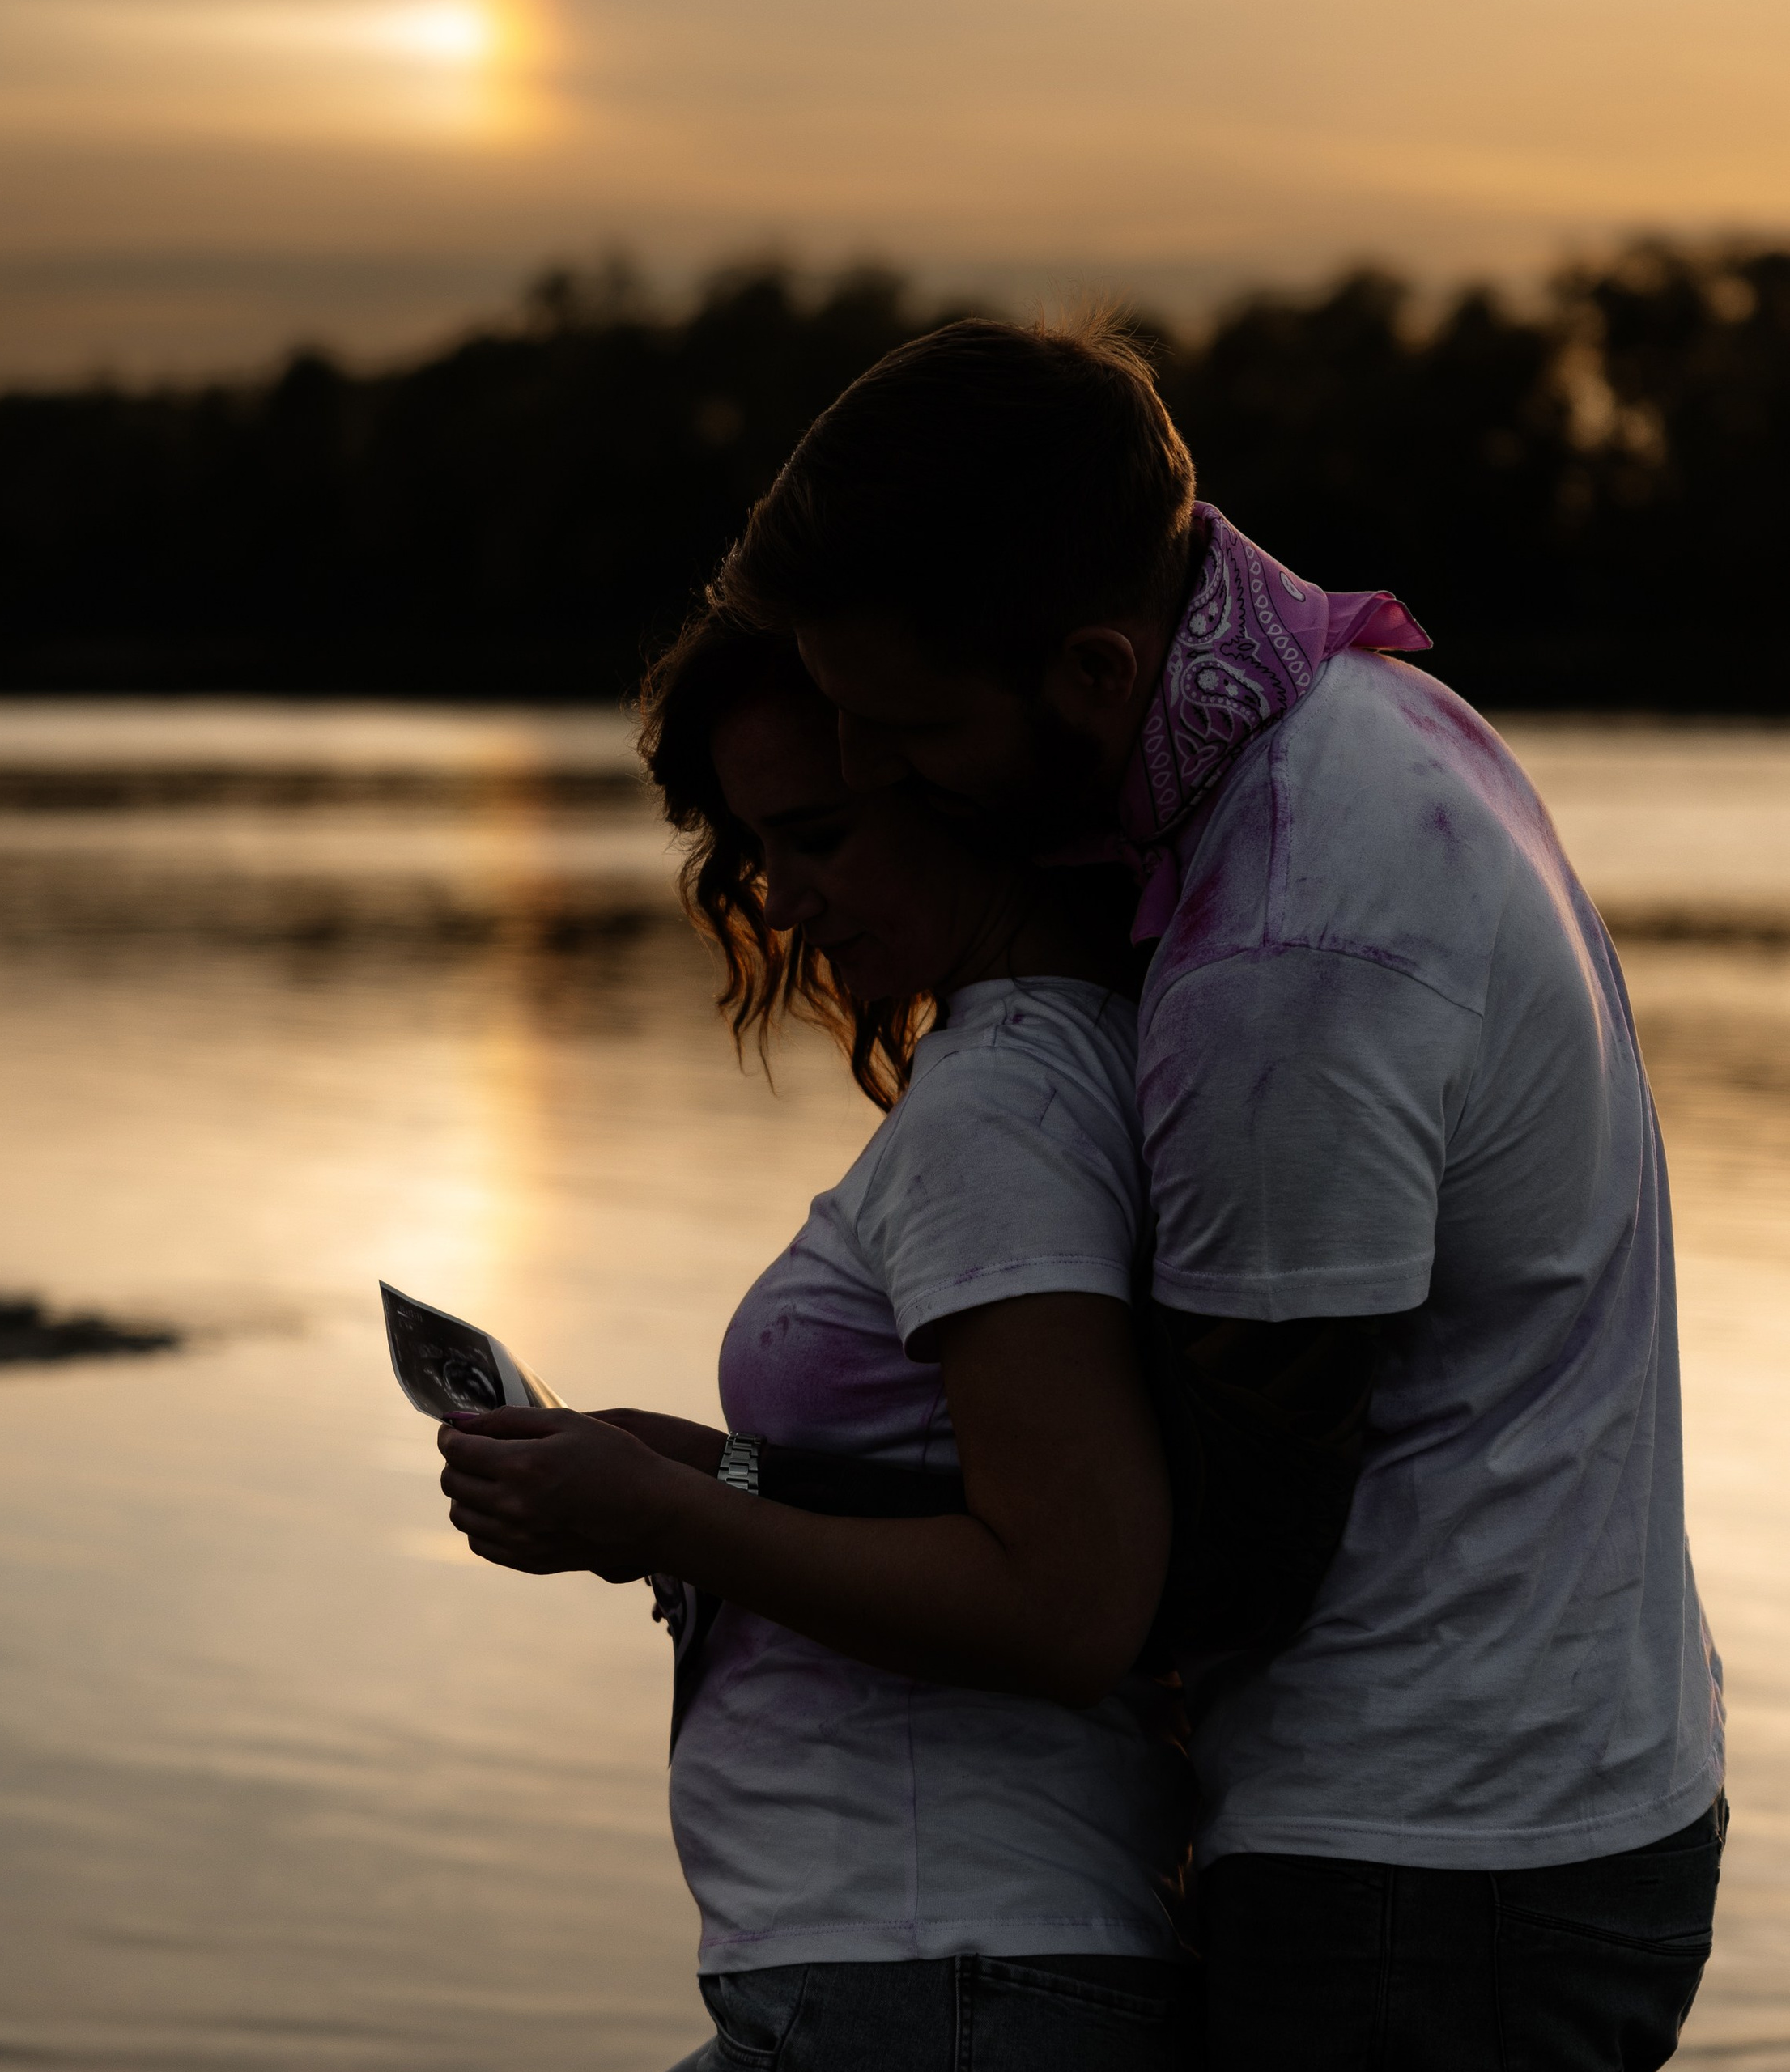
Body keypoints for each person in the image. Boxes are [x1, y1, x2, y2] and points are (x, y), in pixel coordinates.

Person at [704, 312, 1726, 2070]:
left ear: (1094, 669)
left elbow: (1205, 1553)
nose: (863, 772)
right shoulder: (1355, 718)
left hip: (1427, 1865)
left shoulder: (1290, 943)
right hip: (1512, 1799)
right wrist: (740, 1473)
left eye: (908, 728)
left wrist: (714, 1519)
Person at [439, 618, 1201, 2070]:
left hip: (937, 1974)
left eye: (821, 834)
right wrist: (701, 1467)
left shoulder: (1002, 1112)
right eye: (758, 849)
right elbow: (937, 1494)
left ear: (957, 781)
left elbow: (1068, 1603)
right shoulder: (1043, 1065)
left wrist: (660, 1515)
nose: (781, 900)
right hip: (922, 1971)